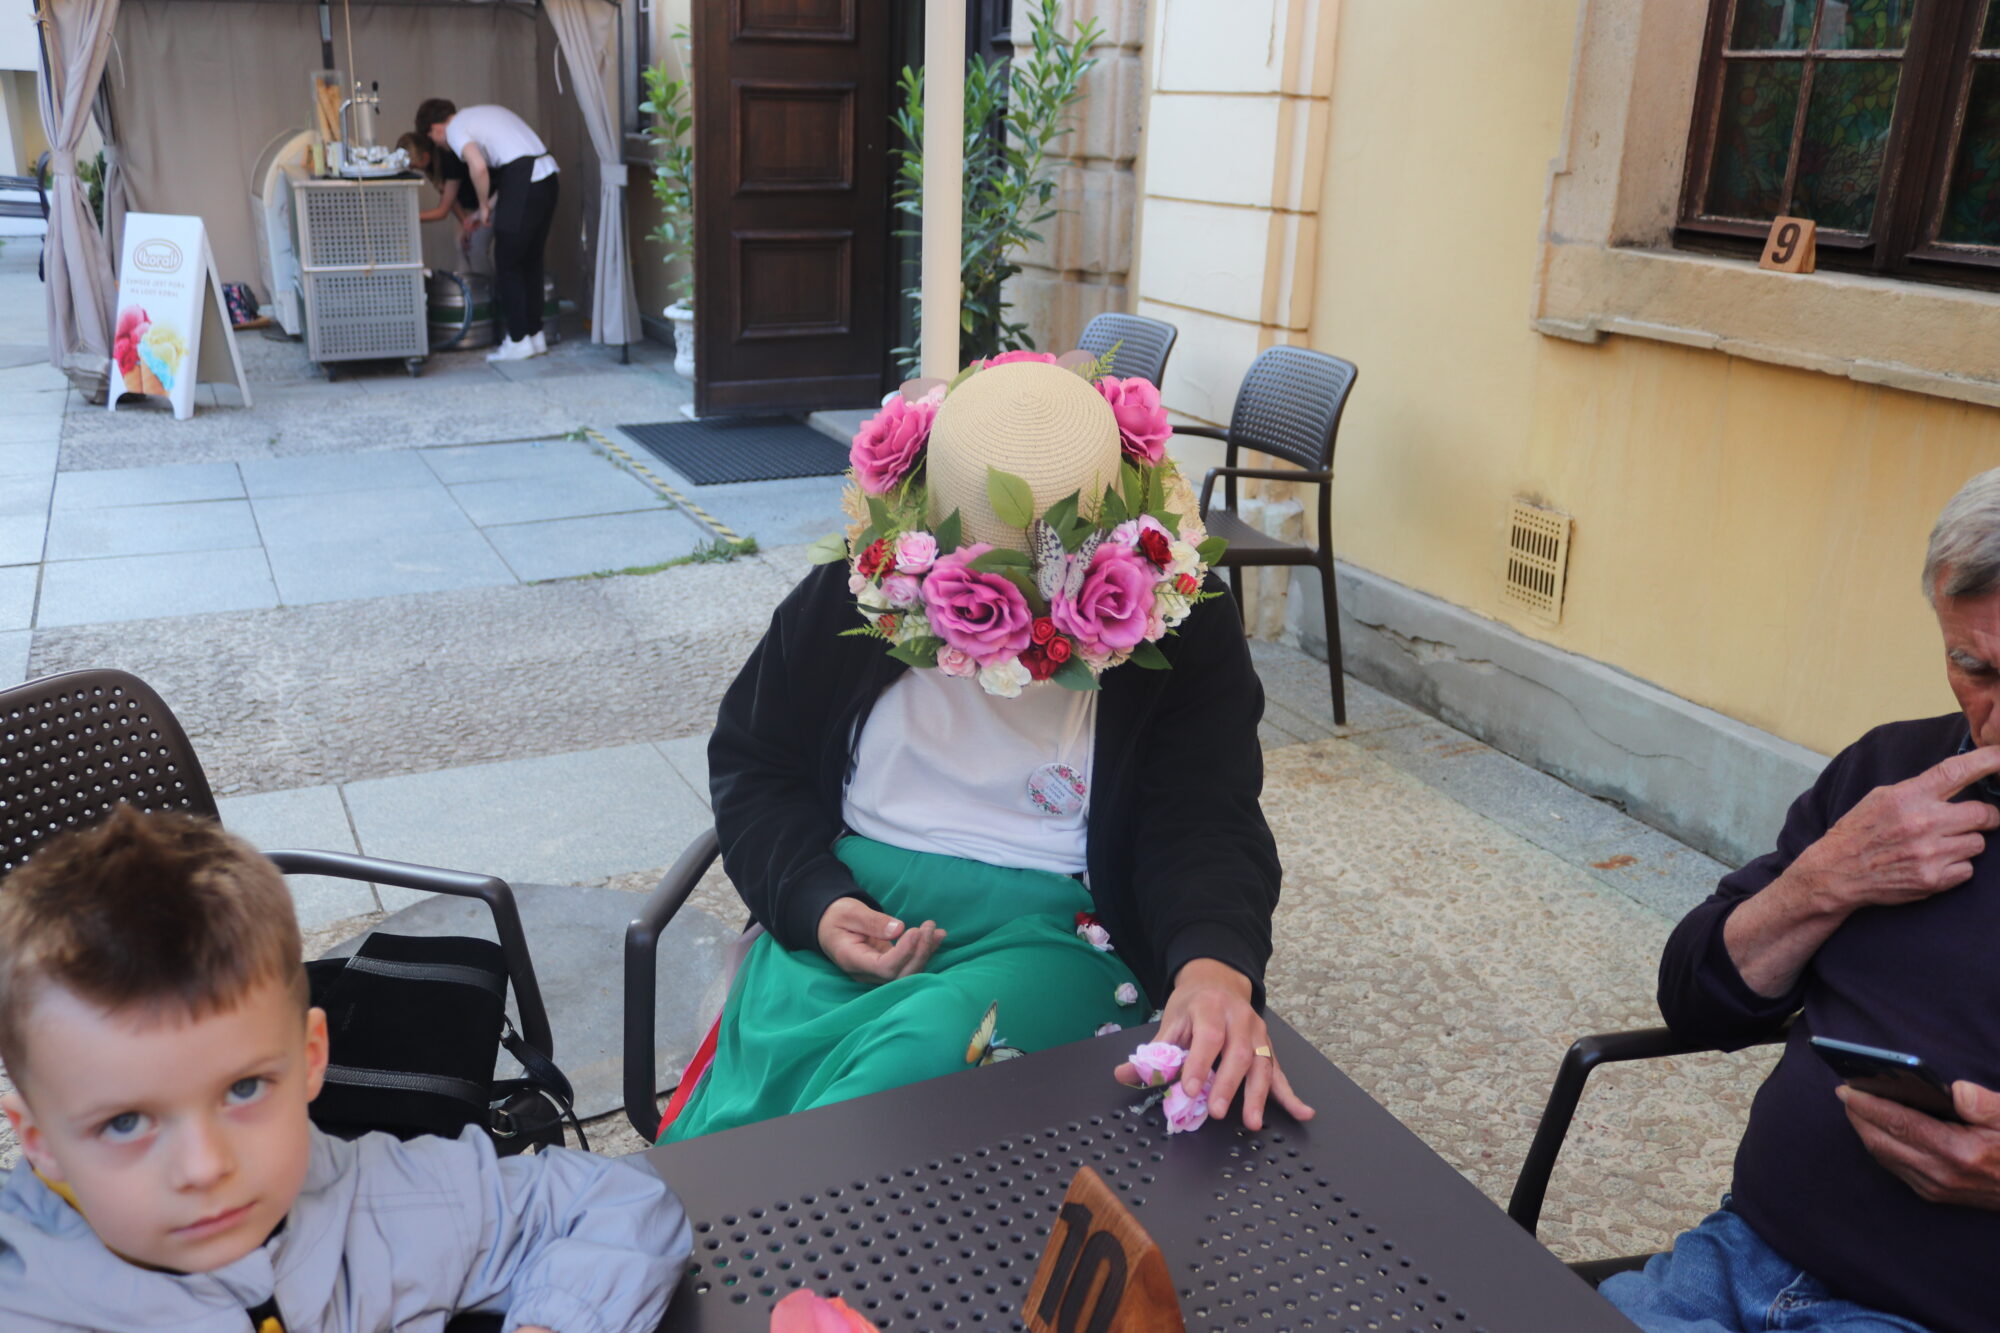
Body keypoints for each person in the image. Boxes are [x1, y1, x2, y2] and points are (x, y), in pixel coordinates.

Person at [662, 355, 1315, 1144]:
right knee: (747, 1124)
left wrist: (1212, 965)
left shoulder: (1179, 613)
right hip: (853, 906)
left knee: (897, 1088)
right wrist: (815, 901)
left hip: (1052, 928)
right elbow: (758, 761)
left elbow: (1205, 814)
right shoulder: (861, 582)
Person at [0, 805, 692, 1332]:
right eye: (126, 1122)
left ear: (310, 1059)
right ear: (38, 1139)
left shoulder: (373, 1201)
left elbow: (615, 1202)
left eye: (244, 1088)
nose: (205, 1166)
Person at [1603, 466, 2000, 1333]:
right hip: (1739, 1251)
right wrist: (1829, 876)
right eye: (1972, 666)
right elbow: (1694, 999)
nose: (1996, 719)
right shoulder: (1889, 774)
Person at [415, 98, 556, 362]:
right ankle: (535, 335)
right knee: (530, 261)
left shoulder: (456, 129)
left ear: (436, 128)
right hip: (546, 177)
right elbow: (517, 166)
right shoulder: (480, 114)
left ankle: (518, 340)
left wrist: (482, 204)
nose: (440, 145)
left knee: (508, 262)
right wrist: (484, 211)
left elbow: (478, 167)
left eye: (434, 139)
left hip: (525, 179)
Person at [394, 132, 492, 276]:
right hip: (469, 205)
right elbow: (452, 201)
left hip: (487, 201)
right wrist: (465, 222)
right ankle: (467, 285)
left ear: (425, 157)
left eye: (414, 166)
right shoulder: (431, 168)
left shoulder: (448, 161)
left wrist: (407, 218)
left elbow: (442, 211)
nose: (414, 169)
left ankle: (485, 285)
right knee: (461, 245)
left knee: (475, 248)